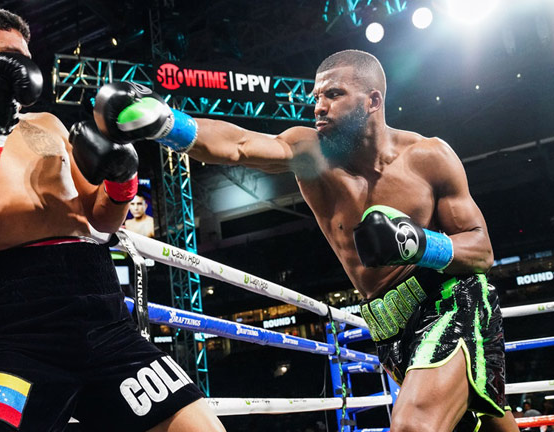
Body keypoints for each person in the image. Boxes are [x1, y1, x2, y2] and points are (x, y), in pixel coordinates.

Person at [93, 50, 519, 431]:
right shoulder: (311, 152)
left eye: (333, 94)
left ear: (373, 101)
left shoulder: (429, 157)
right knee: (477, 422)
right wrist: (167, 122)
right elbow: (239, 146)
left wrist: (420, 244)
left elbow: (481, 250)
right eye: (316, 96)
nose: (319, 106)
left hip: (447, 300)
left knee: (413, 424)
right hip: (387, 323)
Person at [0, 6, 225, 432]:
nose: (23, 67)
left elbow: (102, 222)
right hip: (15, 323)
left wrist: (123, 179)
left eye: (26, 57)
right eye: (9, 55)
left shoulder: (47, 123)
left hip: (102, 310)